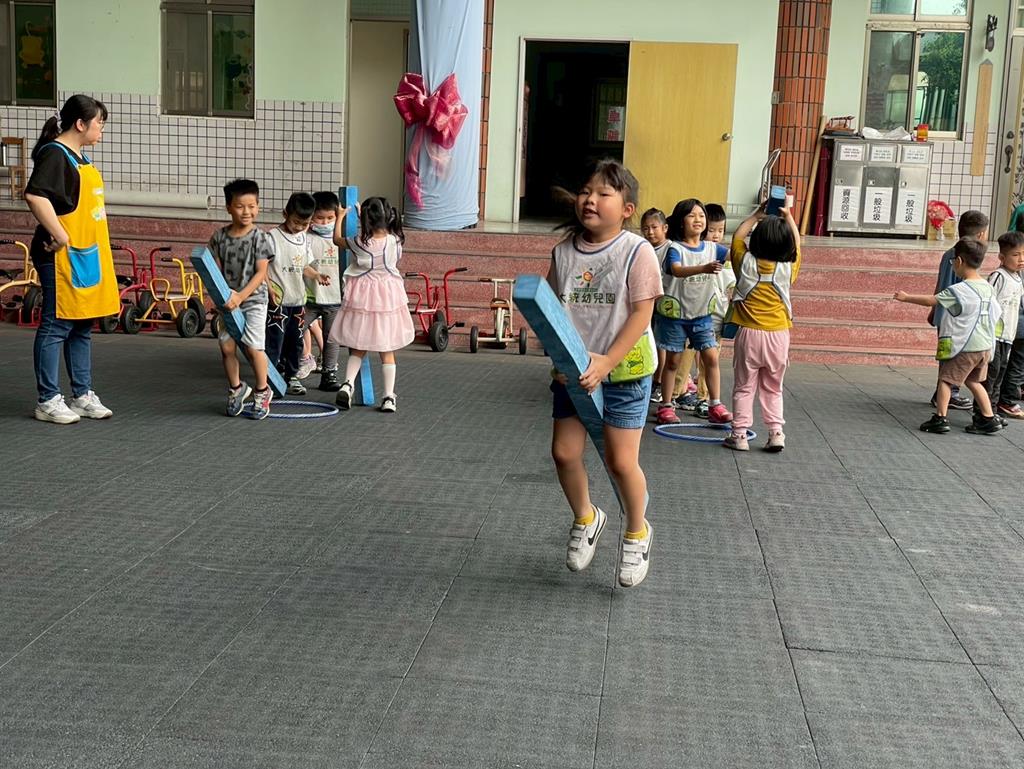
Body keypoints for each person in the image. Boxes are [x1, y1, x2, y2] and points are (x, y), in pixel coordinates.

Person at [547, 158, 661, 588]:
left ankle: (637, 531)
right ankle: (587, 517)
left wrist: (607, 361)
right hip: (576, 372)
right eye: (585, 191)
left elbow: (642, 314)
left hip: (625, 371)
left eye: (603, 193)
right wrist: (557, 359)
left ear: (627, 209)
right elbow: (552, 311)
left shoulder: (636, 250)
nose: (589, 199)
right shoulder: (563, 252)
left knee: (620, 460)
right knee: (564, 452)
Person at [25, 94, 118, 424]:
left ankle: (82, 395)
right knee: (57, 323)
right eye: (99, 124)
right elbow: (35, 195)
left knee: (82, 323)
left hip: (85, 254)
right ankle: (48, 399)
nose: (101, 130)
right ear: (80, 124)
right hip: (59, 255)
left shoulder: (81, 158)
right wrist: (61, 235)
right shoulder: (55, 154)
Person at [895, 237, 1002, 435]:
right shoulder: (987, 287)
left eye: (953, 262)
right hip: (984, 346)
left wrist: (906, 297)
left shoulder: (959, 290)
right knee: (974, 381)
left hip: (964, 346)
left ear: (959, 261)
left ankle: (940, 418)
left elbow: (931, 301)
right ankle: (988, 418)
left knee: (946, 380)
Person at [724, 205, 801, 452]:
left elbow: (737, 238)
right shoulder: (789, 268)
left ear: (756, 240)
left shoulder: (744, 262)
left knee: (744, 386)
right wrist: (788, 217)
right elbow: (797, 244)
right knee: (773, 387)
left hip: (749, 334)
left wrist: (756, 216)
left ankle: (739, 435)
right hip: (778, 335)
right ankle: (776, 433)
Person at [329, 197, 415, 413]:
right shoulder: (396, 240)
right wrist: (364, 217)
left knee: (358, 346)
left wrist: (340, 217)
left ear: (365, 220)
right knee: (387, 350)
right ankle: (388, 397)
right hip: (388, 297)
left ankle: (347, 384)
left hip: (363, 298)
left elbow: (337, 240)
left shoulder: (359, 242)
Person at [653, 198, 732, 426]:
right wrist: (704, 268)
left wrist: (755, 222)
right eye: (691, 215)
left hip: (702, 315)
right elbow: (676, 270)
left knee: (711, 358)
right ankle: (666, 405)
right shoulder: (675, 248)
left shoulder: (713, 248)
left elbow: (738, 255)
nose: (698, 219)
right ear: (680, 222)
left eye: (701, 215)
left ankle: (714, 404)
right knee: (672, 362)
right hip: (675, 316)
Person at [208, 179, 276, 419]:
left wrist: (240, 296)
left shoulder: (260, 238)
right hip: (228, 301)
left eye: (252, 206)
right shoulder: (219, 237)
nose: (247, 211)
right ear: (228, 207)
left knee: (253, 347)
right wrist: (220, 295)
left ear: (258, 206)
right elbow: (212, 268)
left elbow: (261, 273)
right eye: (240, 206)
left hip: (254, 300)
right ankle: (236, 388)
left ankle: (262, 390)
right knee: (226, 347)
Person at [266, 192, 331, 396]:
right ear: (285, 214)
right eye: (296, 222)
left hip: (298, 300)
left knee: (295, 340)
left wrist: (317, 275)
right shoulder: (272, 237)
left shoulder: (304, 238)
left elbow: (304, 267)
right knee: (275, 339)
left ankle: (291, 376)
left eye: (305, 224)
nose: (300, 227)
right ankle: (270, 377)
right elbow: (262, 267)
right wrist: (268, 288)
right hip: (278, 301)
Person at [673, 203, 735, 414]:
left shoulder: (720, 254)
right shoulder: (687, 250)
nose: (716, 235)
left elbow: (732, 280)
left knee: (710, 359)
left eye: (721, 230)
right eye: (712, 230)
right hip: (688, 313)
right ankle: (675, 393)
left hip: (714, 317)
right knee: (683, 355)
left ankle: (705, 398)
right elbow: (677, 271)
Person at [928, 210, 989, 410]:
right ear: (981, 234)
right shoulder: (961, 257)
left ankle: (944, 393)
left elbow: (941, 285)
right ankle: (948, 394)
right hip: (954, 318)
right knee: (952, 357)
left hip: (946, 314)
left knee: (949, 356)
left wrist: (934, 310)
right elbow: (951, 289)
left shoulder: (953, 253)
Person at [977, 231, 1024, 422]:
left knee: (999, 375)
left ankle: (992, 411)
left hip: (1008, 336)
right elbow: (987, 303)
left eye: (1023, 254)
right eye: (1016, 255)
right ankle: (982, 414)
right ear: (1002, 257)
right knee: (991, 374)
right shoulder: (998, 276)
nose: (1021, 259)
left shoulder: (1018, 278)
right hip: (993, 336)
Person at [305, 190, 344, 392]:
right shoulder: (306, 237)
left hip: (334, 299)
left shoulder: (342, 239)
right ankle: (291, 369)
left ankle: (329, 374)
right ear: (311, 216)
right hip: (308, 298)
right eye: (320, 218)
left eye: (330, 218)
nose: (325, 222)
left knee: (332, 338)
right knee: (294, 332)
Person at [640, 207, 676, 408]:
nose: (650, 232)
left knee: (661, 343)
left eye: (654, 227)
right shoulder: (642, 247)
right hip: (646, 300)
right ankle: (650, 377)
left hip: (665, 302)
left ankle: (659, 381)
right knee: (649, 338)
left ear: (665, 228)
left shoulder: (671, 249)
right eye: (645, 228)